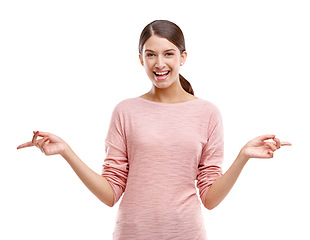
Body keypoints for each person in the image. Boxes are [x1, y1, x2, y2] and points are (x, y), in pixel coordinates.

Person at [17, 20, 291, 240]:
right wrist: (67, 152)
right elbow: (111, 192)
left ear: (183, 57)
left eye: (168, 53)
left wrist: (242, 156)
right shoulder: (125, 111)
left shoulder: (208, 113)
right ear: (141, 60)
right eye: (151, 55)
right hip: (131, 234)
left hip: (187, 234)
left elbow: (209, 198)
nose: (160, 63)